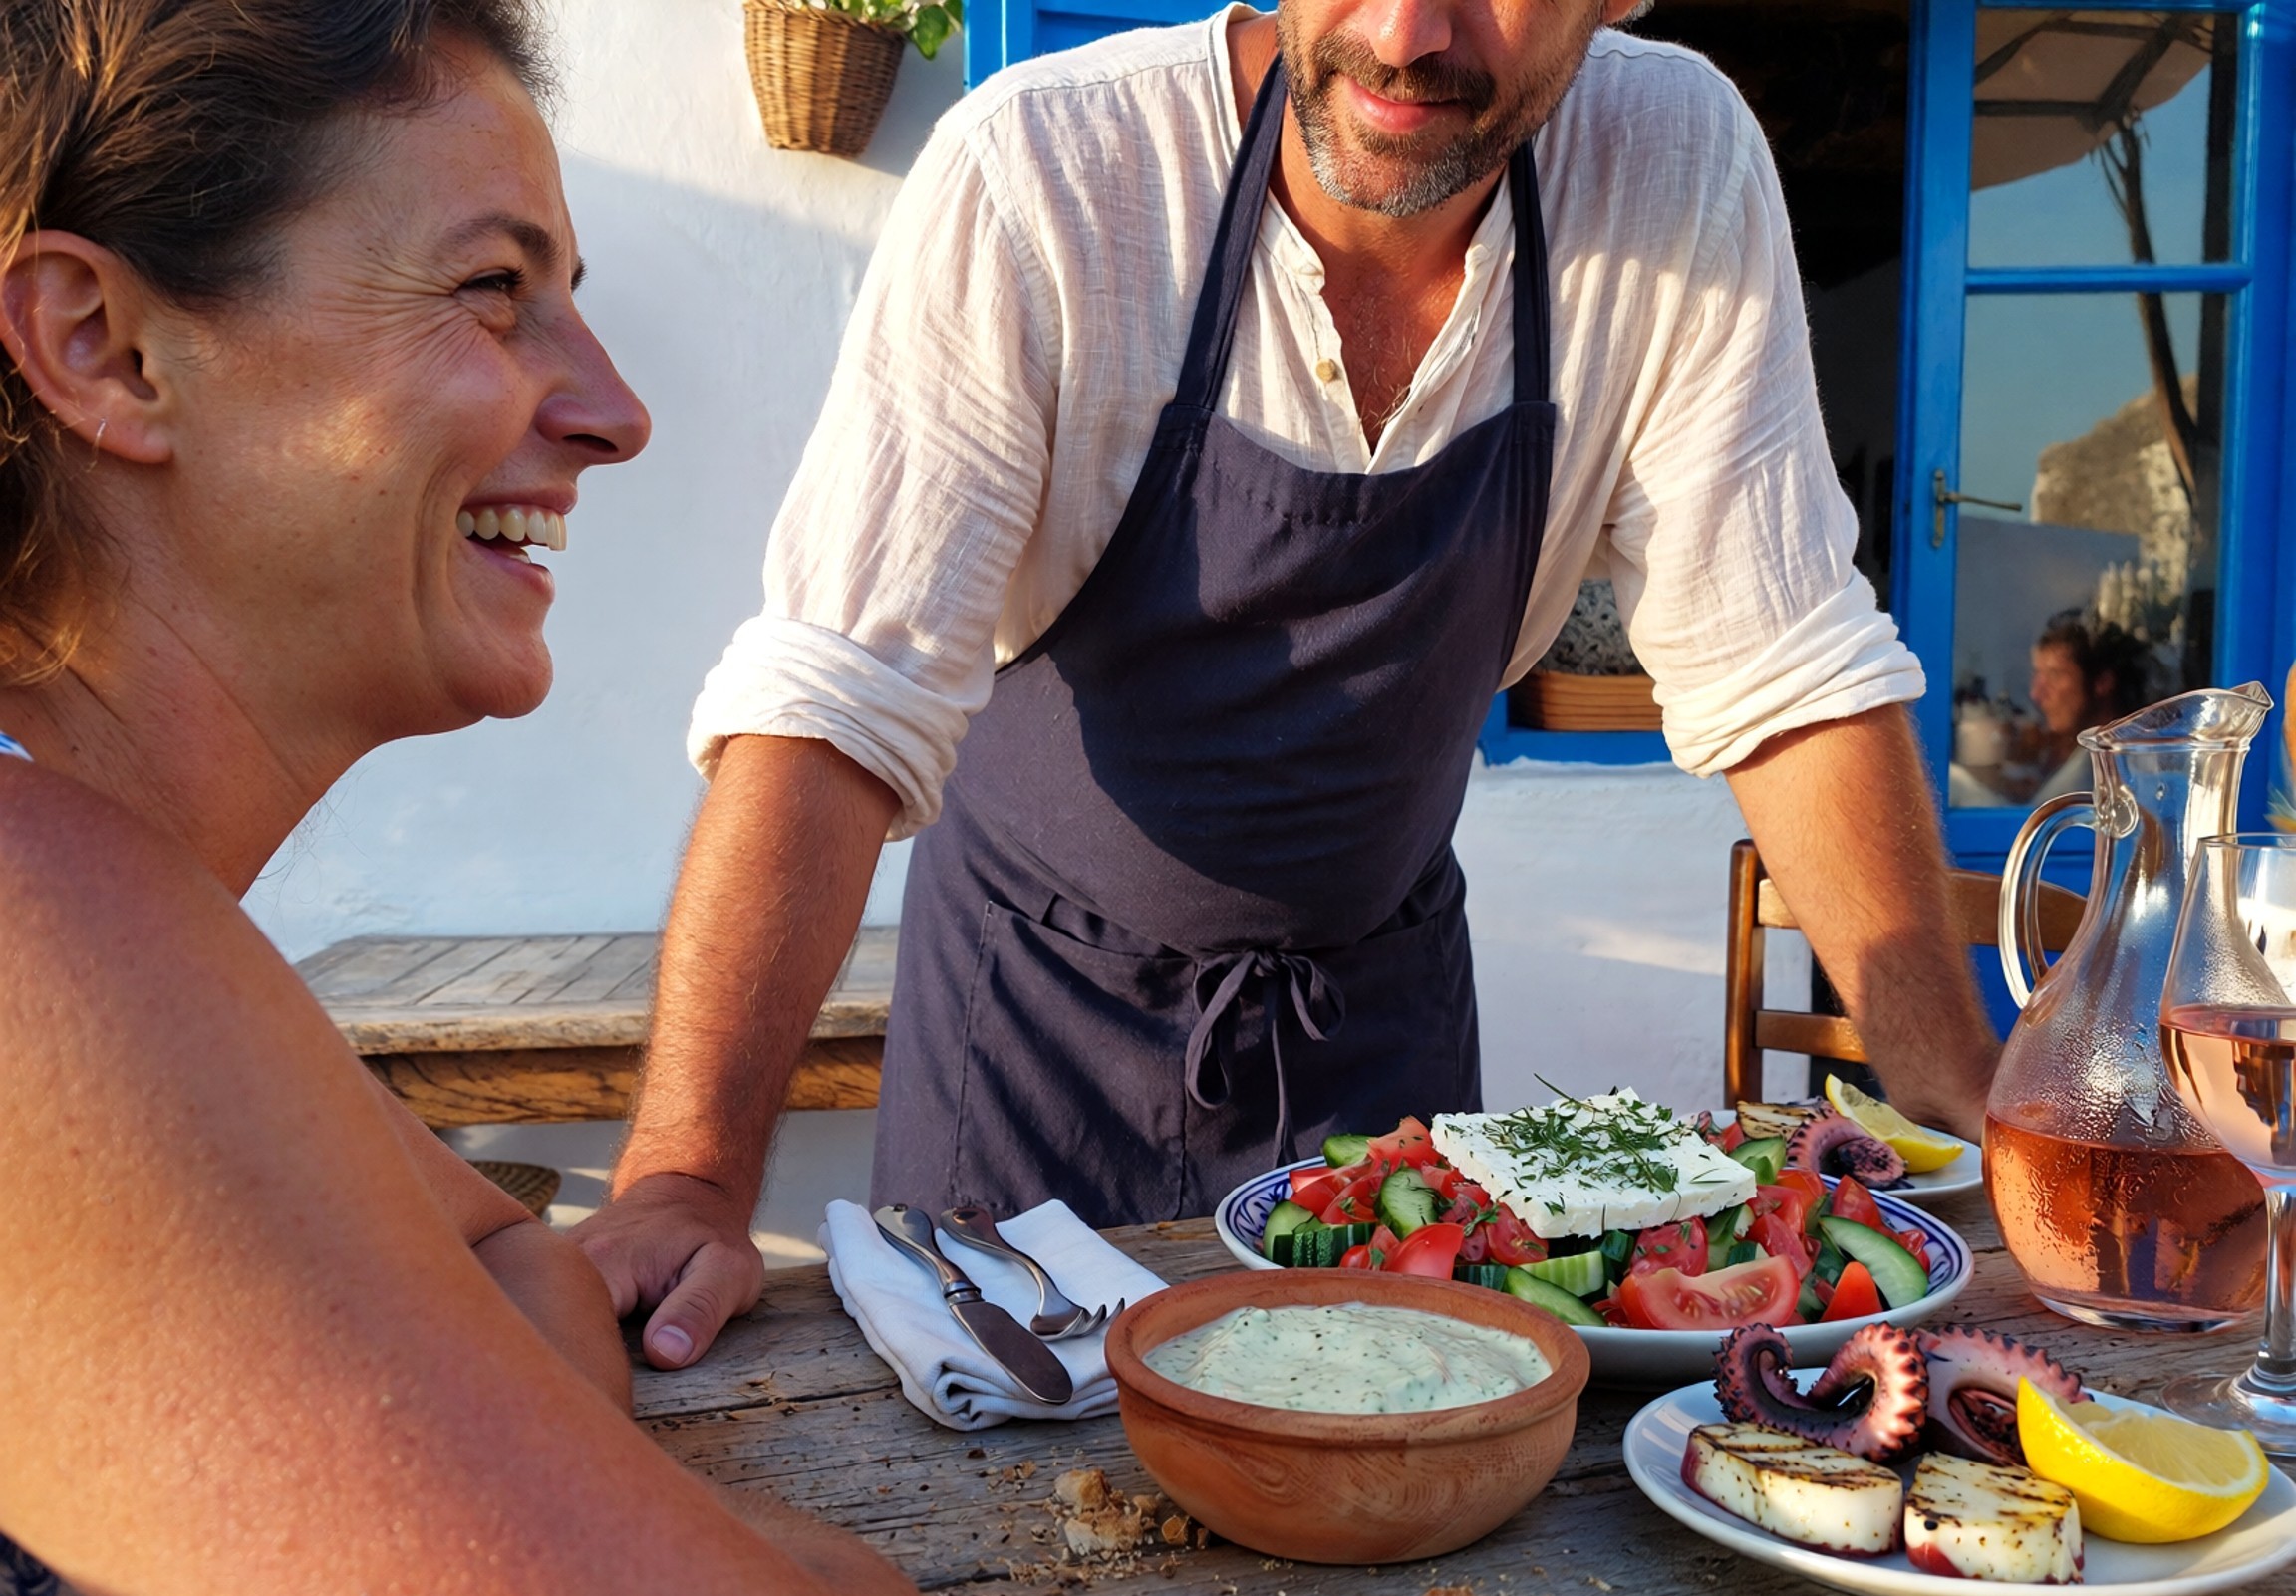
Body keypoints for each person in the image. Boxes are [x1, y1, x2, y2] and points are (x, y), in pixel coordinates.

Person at [576, 0, 2001, 1371]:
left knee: (1402, 1463)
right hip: (1033, 1043)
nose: (1406, 33)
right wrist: (687, 1174)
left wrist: (1965, 1109)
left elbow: (1789, 665)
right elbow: (835, 700)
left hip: (1381, 1042)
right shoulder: (1048, 174)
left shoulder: (1674, 163)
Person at [0, 2, 910, 1589]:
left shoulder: (124, 916)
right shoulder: (35, 937)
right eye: (494, 291)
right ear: (106, 348)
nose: (616, 413)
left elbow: (505, 1242)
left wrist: (479, 1447)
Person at [2026, 609, 2149, 801]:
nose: (2036, 694)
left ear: (2102, 682)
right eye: (2038, 675)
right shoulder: (2066, 757)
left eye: (2055, 675)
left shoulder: (2096, 772)